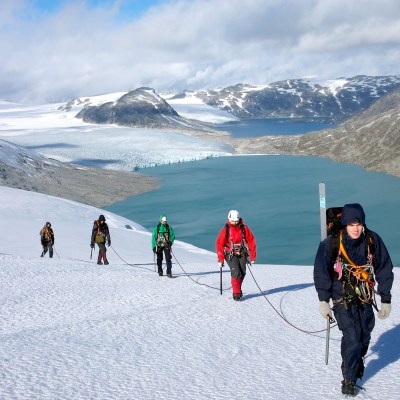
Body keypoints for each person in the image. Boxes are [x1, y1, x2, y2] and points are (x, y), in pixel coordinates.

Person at [314, 203, 394, 396]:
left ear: (363, 223)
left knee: (365, 333)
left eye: (358, 224)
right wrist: (324, 300)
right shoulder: (331, 244)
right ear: (344, 225)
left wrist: (385, 298)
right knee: (352, 336)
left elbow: (384, 268)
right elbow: (321, 272)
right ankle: (349, 378)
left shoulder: (372, 240)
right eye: (351, 224)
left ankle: (355, 361)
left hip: (364, 295)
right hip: (341, 295)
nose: (355, 228)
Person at [216, 210, 256, 301]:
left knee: (242, 272)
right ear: (229, 219)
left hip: (242, 252)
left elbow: (251, 240)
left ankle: (237, 288)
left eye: (236, 220)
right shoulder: (225, 230)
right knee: (236, 272)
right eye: (233, 220)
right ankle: (236, 293)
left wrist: (253, 256)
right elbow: (219, 244)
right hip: (230, 254)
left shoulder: (244, 228)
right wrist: (220, 259)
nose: (234, 222)